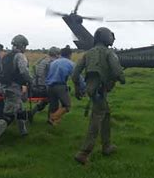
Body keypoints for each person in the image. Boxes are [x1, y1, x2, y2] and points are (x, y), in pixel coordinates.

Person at [72, 27, 125, 165]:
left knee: (106, 114)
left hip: (92, 90)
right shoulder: (109, 53)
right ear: (106, 37)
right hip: (100, 91)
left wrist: (78, 87)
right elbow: (118, 71)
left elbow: (75, 74)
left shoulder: (88, 54)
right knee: (97, 118)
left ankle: (107, 146)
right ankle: (83, 153)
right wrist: (121, 78)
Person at [0, 35, 32, 147]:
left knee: (20, 110)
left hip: (4, 87)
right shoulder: (20, 56)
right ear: (22, 45)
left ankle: (23, 132)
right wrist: (31, 81)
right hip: (14, 88)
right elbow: (24, 71)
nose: (25, 48)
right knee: (8, 115)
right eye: (25, 46)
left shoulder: (6, 56)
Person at [45, 46, 78, 125]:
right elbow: (77, 77)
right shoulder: (70, 63)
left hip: (49, 86)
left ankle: (52, 124)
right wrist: (83, 87)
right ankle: (52, 118)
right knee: (67, 105)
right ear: (70, 55)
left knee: (53, 105)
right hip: (60, 86)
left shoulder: (53, 62)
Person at [29, 46, 60, 120]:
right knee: (55, 97)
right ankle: (51, 119)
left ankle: (32, 112)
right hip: (43, 88)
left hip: (35, 86)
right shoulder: (52, 62)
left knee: (46, 100)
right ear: (56, 54)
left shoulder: (42, 60)